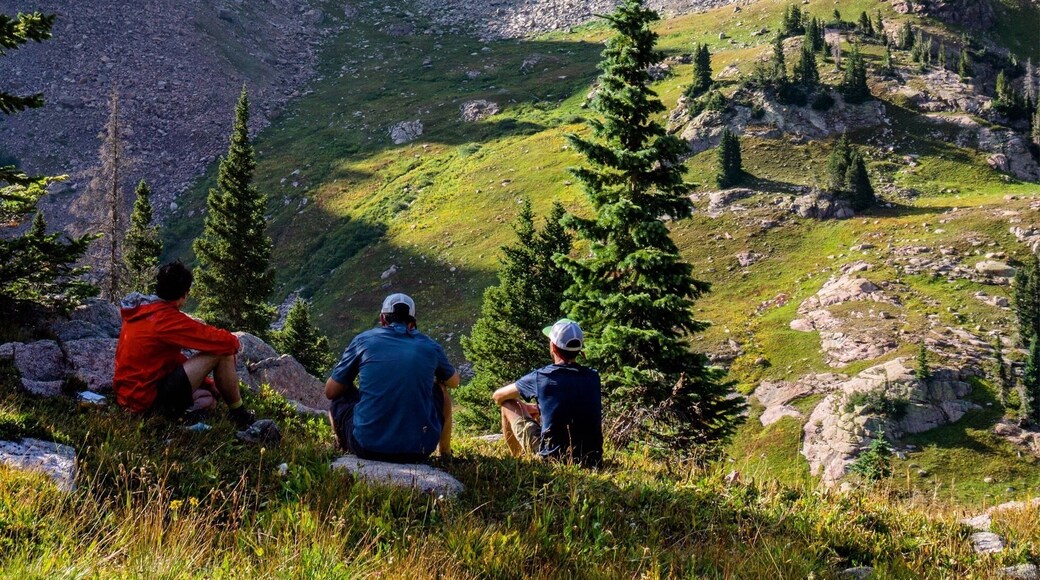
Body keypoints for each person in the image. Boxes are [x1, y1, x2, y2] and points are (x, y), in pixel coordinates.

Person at [113, 260, 255, 428]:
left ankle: (179, 417)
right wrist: (233, 347)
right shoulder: (167, 319)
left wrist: (209, 384)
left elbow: (166, 360)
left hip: (129, 395)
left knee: (208, 400)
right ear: (184, 295)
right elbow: (225, 342)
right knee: (222, 351)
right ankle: (239, 415)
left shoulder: (144, 309)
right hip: (145, 401)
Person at [325, 293, 460, 462]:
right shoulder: (430, 345)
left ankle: (342, 446)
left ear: (383, 319)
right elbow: (454, 382)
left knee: (341, 392)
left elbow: (330, 392)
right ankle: (446, 454)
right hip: (420, 450)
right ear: (412, 324)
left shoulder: (363, 340)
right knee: (441, 388)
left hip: (366, 446)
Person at [493, 319, 603, 467]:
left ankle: (517, 461)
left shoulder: (542, 377)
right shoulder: (593, 377)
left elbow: (498, 396)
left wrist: (526, 406)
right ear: (579, 349)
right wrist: (540, 408)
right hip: (592, 461)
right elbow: (573, 401)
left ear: (553, 347)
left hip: (553, 459)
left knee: (507, 403)